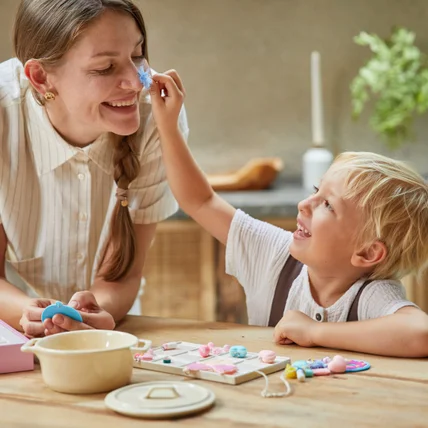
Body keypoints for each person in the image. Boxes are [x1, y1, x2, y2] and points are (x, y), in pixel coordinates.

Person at [147, 71, 428, 357]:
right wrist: (168, 126)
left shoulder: (371, 295)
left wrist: (315, 332)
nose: (304, 204)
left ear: (367, 253)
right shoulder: (274, 256)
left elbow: (421, 334)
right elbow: (201, 201)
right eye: (316, 190)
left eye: (327, 205)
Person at [0, 0, 188, 337]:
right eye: (105, 68)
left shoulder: (158, 116)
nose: (135, 82)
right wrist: (31, 316)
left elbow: (123, 277)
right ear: (41, 77)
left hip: (111, 326)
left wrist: (90, 316)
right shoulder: (4, 117)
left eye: (137, 54)